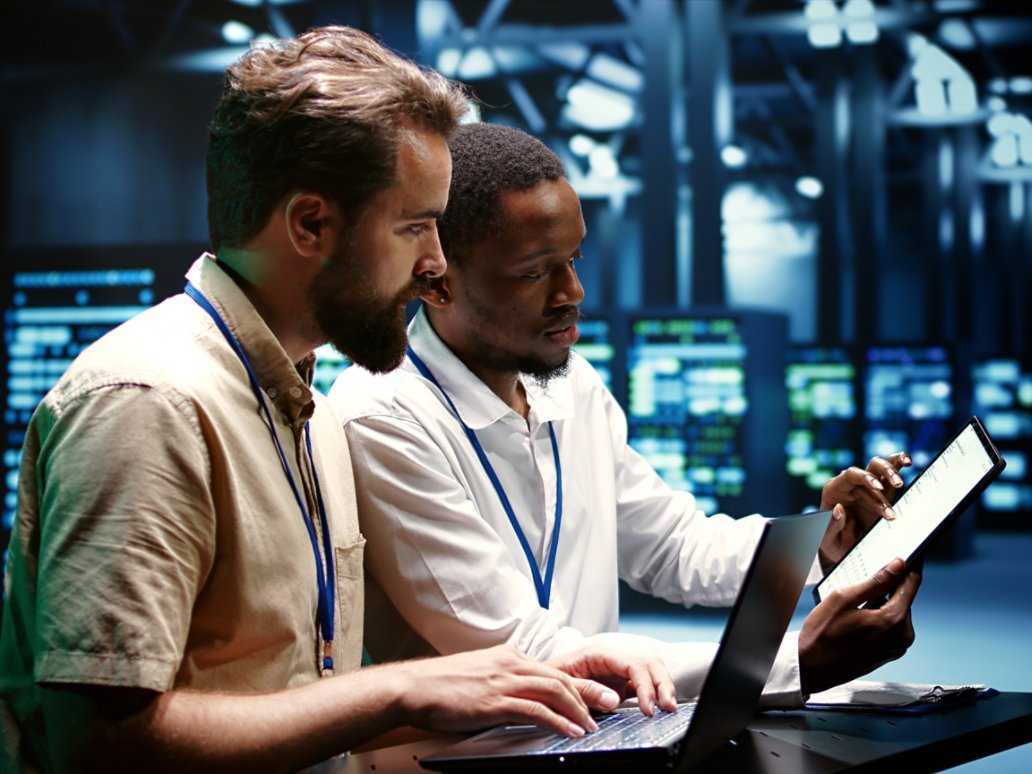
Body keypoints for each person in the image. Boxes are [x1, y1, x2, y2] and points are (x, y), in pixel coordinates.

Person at [0, 29, 675, 773]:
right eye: (416, 226)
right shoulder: (149, 403)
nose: (437, 265)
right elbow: (101, 745)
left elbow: (290, 697)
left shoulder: (303, 407)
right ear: (311, 224)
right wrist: (401, 691)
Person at [329, 121, 922, 706]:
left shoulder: (572, 386)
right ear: (436, 282)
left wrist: (823, 540)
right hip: (469, 761)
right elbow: (532, 655)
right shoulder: (384, 419)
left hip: (597, 739)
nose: (572, 292)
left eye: (573, 259)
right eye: (534, 272)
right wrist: (796, 660)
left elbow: (674, 549)